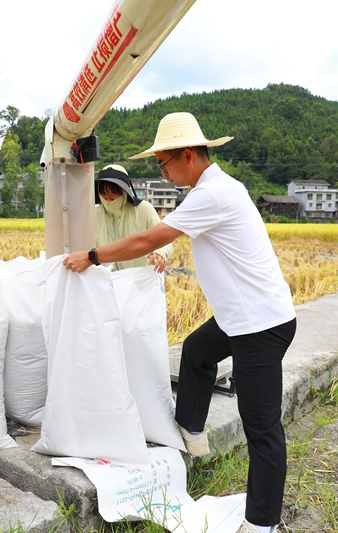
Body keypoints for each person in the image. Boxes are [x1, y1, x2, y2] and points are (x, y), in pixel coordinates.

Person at [63, 112, 296, 533]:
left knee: (262, 428)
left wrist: (93, 256)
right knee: (197, 351)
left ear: (187, 156)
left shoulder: (213, 194)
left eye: (163, 163)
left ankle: (262, 526)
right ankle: (191, 429)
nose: (162, 171)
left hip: (259, 326)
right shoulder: (214, 188)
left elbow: (151, 240)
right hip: (241, 316)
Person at [94, 164, 172, 272]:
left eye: (113, 197)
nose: (108, 202)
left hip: (138, 280)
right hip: (106, 281)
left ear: (125, 192)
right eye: (104, 197)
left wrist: (161, 252)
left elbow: (164, 237)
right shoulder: (93, 214)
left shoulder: (143, 209)